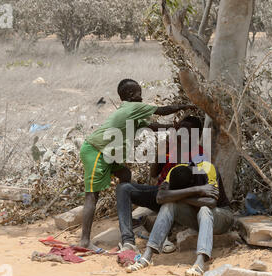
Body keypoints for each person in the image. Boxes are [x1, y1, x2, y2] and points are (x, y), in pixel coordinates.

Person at [79, 79, 193, 250]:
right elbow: (161, 111)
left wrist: (174, 126)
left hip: (108, 154)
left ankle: (127, 216)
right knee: (92, 195)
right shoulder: (133, 107)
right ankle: (85, 241)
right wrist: (185, 106)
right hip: (97, 151)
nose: (141, 96)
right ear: (131, 95)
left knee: (125, 175)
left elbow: (152, 125)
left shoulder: (131, 112)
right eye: (139, 93)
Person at [125, 161, 235, 276]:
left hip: (221, 215)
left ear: (192, 181)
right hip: (197, 218)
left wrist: (176, 196)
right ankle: (147, 256)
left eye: (186, 190)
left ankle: (201, 260)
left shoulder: (207, 169)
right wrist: (196, 190)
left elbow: (211, 202)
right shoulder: (174, 171)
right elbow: (160, 197)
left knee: (204, 209)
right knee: (168, 205)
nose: (181, 194)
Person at [116, 116, 205, 253]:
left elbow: (193, 184)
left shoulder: (199, 153)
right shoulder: (171, 146)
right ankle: (128, 241)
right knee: (123, 188)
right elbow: (153, 173)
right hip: (159, 192)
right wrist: (162, 150)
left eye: (186, 131)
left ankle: (163, 235)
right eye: (180, 129)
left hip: (177, 198)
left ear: (196, 134)